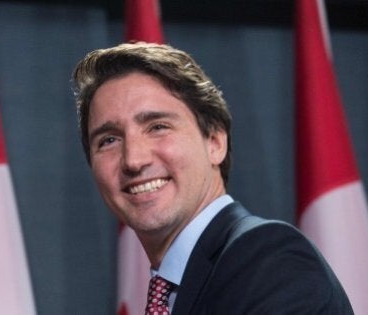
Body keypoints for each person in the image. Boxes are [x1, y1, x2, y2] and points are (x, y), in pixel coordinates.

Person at [71, 42, 353, 314]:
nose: (133, 159)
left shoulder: (267, 258)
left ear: (215, 142)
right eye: (108, 140)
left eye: (158, 126)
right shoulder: (176, 288)